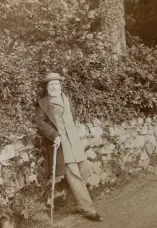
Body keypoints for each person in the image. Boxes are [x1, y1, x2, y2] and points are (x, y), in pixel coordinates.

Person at [33, 72, 103, 222]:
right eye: (50, 84)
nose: (53, 87)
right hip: (61, 143)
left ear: (60, 85)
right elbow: (38, 122)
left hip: (74, 141)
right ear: (46, 87)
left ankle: (72, 202)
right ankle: (88, 209)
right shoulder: (44, 103)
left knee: (85, 167)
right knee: (74, 173)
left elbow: (71, 118)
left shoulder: (67, 99)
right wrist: (53, 134)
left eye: (56, 84)